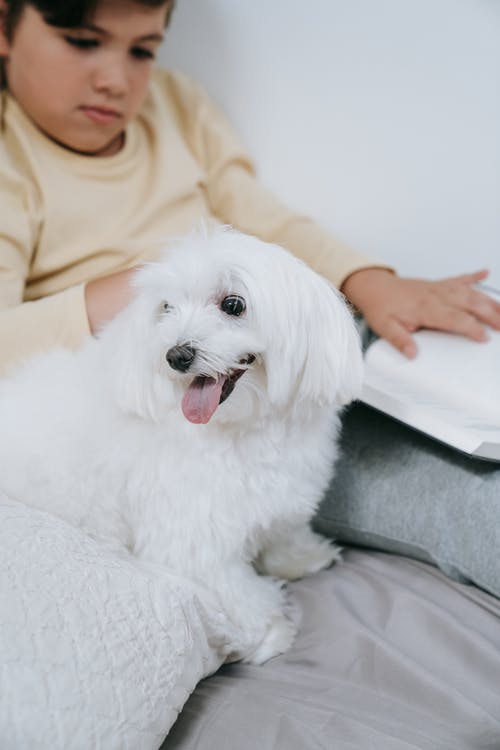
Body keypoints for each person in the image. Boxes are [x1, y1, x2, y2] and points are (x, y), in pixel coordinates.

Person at [1, 0, 499, 593]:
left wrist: (372, 283)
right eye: (83, 41)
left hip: (255, 342)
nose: (116, 80)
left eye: (142, 50)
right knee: (434, 489)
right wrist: (136, 291)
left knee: (441, 381)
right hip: (152, 391)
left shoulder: (177, 105)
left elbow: (268, 222)